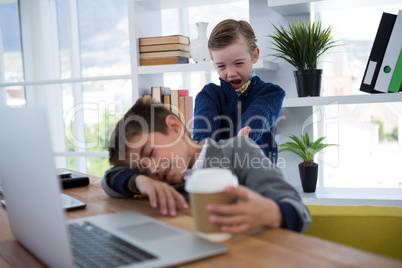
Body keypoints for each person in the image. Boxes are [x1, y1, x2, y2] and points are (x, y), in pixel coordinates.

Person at [102, 97, 311, 234]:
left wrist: (271, 212)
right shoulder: (163, 181)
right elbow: (109, 178)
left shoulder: (238, 150)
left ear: (174, 128)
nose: (153, 170)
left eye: (150, 153)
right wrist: (138, 180)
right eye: (142, 168)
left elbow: (299, 211)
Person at [193, 19, 285, 164]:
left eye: (238, 63)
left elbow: (258, 114)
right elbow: (203, 136)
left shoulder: (271, 93)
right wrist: (200, 149)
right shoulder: (208, 95)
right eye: (221, 66)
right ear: (213, 61)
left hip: (259, 175)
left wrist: (244, 136)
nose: (231, 73)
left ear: (254, 55)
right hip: (219, 176)